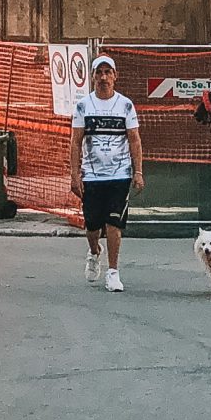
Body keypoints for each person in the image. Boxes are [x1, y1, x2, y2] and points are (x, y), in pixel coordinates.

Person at [70, 55, 143, 292]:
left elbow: (134, 139)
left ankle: (113, 272)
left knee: (114, 223)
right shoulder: (83, 106)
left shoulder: (125, 105)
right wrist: (74, 174)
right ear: (92, 77)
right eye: (99, 73)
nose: (103, 78)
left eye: (107, 73)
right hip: (92, 175)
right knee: (92, 225)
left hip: (119, 175)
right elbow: (75, 141)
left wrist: (138, 171)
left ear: (115, 76)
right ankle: (94, 251)